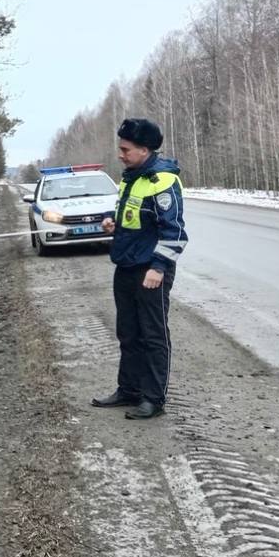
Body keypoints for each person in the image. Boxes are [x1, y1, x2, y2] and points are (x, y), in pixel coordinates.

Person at [90, 118, 188, 420]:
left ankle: (153, 399)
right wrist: (113, 220)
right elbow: (132, 215)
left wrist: (158, 268)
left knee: (153, 335)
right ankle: (128, 390)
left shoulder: (163, 181)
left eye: (125, 149)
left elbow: (175, 233)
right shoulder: (131, 177)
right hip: (126, 265)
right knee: (128, 333)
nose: (120, 154)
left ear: (144, 150)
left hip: (151, 270)